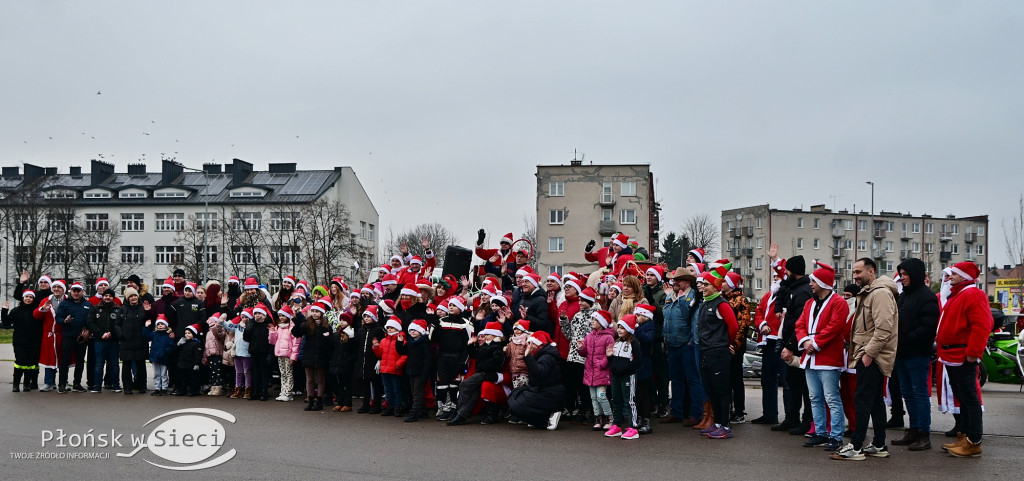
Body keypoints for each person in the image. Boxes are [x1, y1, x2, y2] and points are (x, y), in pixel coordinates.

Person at [832, 258, 898, 461]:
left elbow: (884, 329)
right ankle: (879, 444)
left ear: (871, 271)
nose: (855, 276)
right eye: (854, 272)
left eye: (859, 272)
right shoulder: (870, 292)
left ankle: (856, 446)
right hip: (869, 354)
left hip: (872, 356)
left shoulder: (880, 294)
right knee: (875, 400)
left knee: (861, 400)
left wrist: (868, 354)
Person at [936, 261, 994, 458]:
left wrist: (974, 352)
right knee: (963, 397)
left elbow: (982, 325)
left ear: (965, 276)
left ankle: (974, 441)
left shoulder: (973, 294)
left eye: (955, 273)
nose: (950, 276)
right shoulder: (959, 294)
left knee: (970, 399)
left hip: (962, 355)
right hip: (952, 355)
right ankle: (965, 436)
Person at [793, 263, 849, 451]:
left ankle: (836, 436)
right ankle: (820, 432)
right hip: (810, 357)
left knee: (831, 398)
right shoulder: (809, 303)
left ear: (824, 283)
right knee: (815, 398)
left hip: (828, 358)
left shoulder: (838, 302)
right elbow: (800, 324)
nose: (811, 284)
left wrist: (814, 343)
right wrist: (805, 342)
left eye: (814, 281)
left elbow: (835, 327)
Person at [889, 258, 940, 451]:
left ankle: (923, 434)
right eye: (901, 274)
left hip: (917, 354)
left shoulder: (927, 297)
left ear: (915, 274)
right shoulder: (904, 296)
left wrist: (905, 338)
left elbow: (928, 327)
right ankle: (913, 429)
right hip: (901, 353)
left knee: (919, 394)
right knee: (908, 394)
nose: (902, 278)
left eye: (905, 274)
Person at [773, 251, 814, 435]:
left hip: (798, 347)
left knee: (804, 387)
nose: (785, 273)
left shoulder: (803, 292)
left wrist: (790, 346)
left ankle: (807, 421)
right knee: (792, 385)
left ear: (794, 271)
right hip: (792, 343)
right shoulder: (794, 288)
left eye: (787, 270)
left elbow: (800, 323)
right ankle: (792, 418)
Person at [695, 270, 739, 440]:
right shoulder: (705, 303)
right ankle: (718, 423)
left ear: (715, 286)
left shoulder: (722, 304)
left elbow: (733, 326)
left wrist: (726, 343)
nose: (703, 287)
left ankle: (726, 426)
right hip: (705, 351)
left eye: (706, 284)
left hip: (718, 352)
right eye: (702, 284)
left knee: (722, 390)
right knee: (711, 389)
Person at [661, 266, 705, 426]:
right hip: (672, 344)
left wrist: (691, 340)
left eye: (678, 280)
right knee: (676, 380)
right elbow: (666, 317)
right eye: (674, 280)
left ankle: (696, 414)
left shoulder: (693, 297)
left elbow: (691, 319)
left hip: (687, 344)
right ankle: (676, 412)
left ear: (687, 282)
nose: (674, 282)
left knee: (693, 380)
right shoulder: (670, 296)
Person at [446, 321, 506, 426]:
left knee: (464, 385)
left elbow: (497, 362)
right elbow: (475, 355)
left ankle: (459, 410)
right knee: (474, 394)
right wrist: (470, 345)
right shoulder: (487, 346)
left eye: (487, 334)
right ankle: (462, 415)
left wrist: (483, 366)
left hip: (485, 373)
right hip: (483, 373)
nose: (485, 336)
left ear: (495, 335)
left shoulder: (497, 346)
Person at [751, 261, 787, 425]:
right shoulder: (767, 296)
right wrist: (762, 325)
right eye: (773, 277)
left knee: (786, 382)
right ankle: (769, 414)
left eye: (778, 277)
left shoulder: (785, 296)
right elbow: (759, 312)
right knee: (767, 380)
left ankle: (790, 417)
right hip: (767, 343)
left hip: (781, 342)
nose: (775, 279)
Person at [508, 330, 566, 430]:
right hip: (541, 390)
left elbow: (539, 373)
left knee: (517, 402)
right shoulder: (540, 354)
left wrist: (527, 356)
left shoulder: (547, 357)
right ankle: (539, 420)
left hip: (550, 394)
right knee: (515, 395)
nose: (530, 346)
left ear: (540, 345)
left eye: (533, 344)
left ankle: (552, 413)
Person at [722, 271, 753, 424]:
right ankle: (727, 409)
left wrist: (734, 345)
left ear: (731, 284)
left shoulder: (741, 300)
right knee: (725, 380)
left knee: (736, 379)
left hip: (735, 347)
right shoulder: (723, 299)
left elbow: (743, 325)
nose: (721, 283)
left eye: (724, 281)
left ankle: (739, 411)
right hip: (724, 345)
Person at [604, 315, 641, 440]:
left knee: (630, 401)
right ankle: (617, 425)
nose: (619, 330)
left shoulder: (634, 343)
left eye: (622, 328)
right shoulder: (617, 342)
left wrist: (626, 369)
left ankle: (633, 427)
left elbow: (637, 360)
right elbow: (613, 361)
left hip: (627, 376)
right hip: (616, 376)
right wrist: (609, 357)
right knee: (616, 400)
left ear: (629, 329)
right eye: (618, 327)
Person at [579, 310, 616, 430]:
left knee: (601, 396)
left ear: (601, 322)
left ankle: (609, 417)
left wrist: (602, 364)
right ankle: (598, 418)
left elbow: (609, 354)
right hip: (590, 371)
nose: (592, 322)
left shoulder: (608, 337)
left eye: (595, 320)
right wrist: (580, 348)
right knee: (594, 397)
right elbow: (585, 353)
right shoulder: (589, 336)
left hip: (601, 371)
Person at [643, 265, 670, 418]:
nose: (648, 277)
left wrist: (651, 301)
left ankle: (663, 403)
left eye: (652, 275)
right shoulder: (643, 290)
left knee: (661, 374)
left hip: (658, 337)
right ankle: (651, 401)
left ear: (658, 278)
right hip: (645, 336)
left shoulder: (662, 293)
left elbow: (662, 313)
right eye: (647, 274)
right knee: (648, 372)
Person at [55, 282, 93, 393]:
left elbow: (91, 320)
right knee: (65, 360)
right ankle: (62, 384)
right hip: (68, 336)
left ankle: (77, 383)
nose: (76, 293)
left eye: (78, 291)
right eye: (74, 291)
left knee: (80, 361)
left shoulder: (88, 304)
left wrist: (88, 330)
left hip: (82, 338)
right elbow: (58, 318)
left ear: (82, 292)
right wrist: (64, 321)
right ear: (70, 292)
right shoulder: (65, 304)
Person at [2, 290, 42, 392]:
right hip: (19, 342)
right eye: (26, 297)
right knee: (20, 361)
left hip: (34, 342)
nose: (28, 299)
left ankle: (26, 384)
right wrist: (4, 310)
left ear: (33, 299)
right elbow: (6, 323)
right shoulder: (16, 310)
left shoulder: (37, 311)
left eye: (30, 297)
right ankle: (16, 384)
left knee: (30, 364)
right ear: (23, 298)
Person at [396, 319, 432, 422]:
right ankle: (423, 411)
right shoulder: (410, 342)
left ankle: (414, 413)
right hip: (411, 371)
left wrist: (424, 374)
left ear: (421, 331)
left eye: (415, 330)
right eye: (411, 330)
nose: (412, 332)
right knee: (415, 392)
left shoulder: (425, 343)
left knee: (417, 394)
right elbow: (402, 351)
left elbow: (428, 361)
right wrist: (399, 342)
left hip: (420, 372)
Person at [87, 289, 122, 393]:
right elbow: (90, 323)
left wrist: (112, 333)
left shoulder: (118, 309)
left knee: (114, 364)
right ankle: (97, 386)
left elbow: (120, 324)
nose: (108, 297)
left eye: (110, 296)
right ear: (103, 297)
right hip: (99, 341)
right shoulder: (95, 308)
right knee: (99, 364)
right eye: (106, 295)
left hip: (114, 341)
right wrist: (100, 333)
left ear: (113, 298)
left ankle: (116, 385)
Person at [116, 287, 150, 394]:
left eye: (135, 295)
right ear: (127, 298)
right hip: (126, 342)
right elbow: (117, 324)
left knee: (141, 365)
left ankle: (142, 386)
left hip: (140, 341)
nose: (133, 298)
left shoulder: (143, 308)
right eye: (131, 296)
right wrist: (120, 334)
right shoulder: (122, 309)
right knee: (126, 365)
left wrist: (146, 333)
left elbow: (149, 321)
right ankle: (127, 387)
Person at [35, 280, 67, 392]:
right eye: (54, 287)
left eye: (59, 287)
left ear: (63, 289)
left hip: (64, 335)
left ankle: (64, 382)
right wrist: (43, 309)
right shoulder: (46, 300)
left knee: (64, 360)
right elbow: (36, 315)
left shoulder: (68, 300)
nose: (56, 289)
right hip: (49, 336)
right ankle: (48, 382)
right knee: (49, 360)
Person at [375, 316, 409, 417]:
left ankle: (398, 407)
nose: (389, 329)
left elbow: (405, 355)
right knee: (388, 389)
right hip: (385, 369)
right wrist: (376, 348)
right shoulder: (383, 340)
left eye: (392, 328)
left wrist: (398, 364)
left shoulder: (401, 340)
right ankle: (390, 406)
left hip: (395, 369)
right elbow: (380, 354)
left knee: (396, 389)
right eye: (388, 328)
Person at [270, 305, 301, 402]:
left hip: (288, 354)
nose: (281, 318)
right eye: (280, 316)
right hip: (280, 354)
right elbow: (273, 341)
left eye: (283, 315)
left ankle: (288, 392)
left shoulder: (292, 328)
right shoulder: (279, 327)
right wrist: (272, 332)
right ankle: (283, 391)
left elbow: (296, 343)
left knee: (288, 373)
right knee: (282, 373)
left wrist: (293, 356)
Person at [327, 314, 357, 412]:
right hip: (337, 363)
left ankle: (347, 403)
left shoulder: (352, 334)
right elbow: (332, 349)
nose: (342, 322)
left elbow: (353, 349)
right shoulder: (336, 335)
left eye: (344, 320)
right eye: (341, 320)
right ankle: (340, 402)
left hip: (347, 363)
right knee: (339, 384)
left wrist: (349, 359)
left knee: (347, 384)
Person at [244, 304, 273, 402]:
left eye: (259, 313)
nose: (257, 315)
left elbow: (271, 340)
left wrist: (270, 353)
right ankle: (255, 391)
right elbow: (246, 338)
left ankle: (264, 392)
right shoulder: (252, 324)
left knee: (264, 373)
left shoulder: (267, 325)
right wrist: (248, 329)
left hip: (264, 352)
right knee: (255, 372)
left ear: (264, 315)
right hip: (254, 351)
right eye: (255, 313)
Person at [223, 308, 253, 399]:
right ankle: (238, 389)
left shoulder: (251, 327)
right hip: (237, 353)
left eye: (246, 317)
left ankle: (248, 389)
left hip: (246, 353)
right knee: (238, 372)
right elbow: (228, 326)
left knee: (247, 372)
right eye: (242, 317)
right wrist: (222, 320)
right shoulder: (237, 327)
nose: (244, 319)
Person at [144, 315, 175, 395]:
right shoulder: (154, 334)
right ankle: (157, 388)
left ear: (166, 325)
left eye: (162, 324)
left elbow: (171, 346)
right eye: (158, 324)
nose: (160, 326)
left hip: (163, 357)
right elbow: (146, 336)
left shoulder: (168, 335)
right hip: (155, 356)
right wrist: (146, 327)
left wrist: (164, 352)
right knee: (156, 374)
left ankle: (164, 388)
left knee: (163, 374)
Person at [175, 324, 204, 396]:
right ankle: (182, 390)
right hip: (183, 364)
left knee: (192, 379)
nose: (187, 335)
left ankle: (193, 390)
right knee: (183, 379)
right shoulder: (183, 342)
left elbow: (198, 355)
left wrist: (197, 364)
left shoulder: (196, 343)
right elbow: (177, 352)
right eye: (186, 333)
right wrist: (178, 345)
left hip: (191, 364)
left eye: (189, 333)